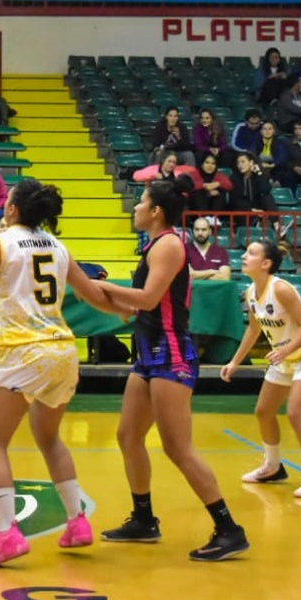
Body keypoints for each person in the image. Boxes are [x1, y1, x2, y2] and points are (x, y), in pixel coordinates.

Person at [0, 179, 123, 565]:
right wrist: (130, 309)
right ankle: (77, 522)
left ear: (11, 209)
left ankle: (7, 533)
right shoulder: (59, 247)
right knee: (49, 438)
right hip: (63, 350)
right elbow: (96, 295)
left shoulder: (1, 243)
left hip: (23, 351)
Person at [95, 179, 250, 561]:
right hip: (148, 354)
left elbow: (147, 299)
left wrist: (87, 282)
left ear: (156, 211)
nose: (135, 208)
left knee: (178, 448)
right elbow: (127, 310)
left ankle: (229, 528)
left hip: (171, 354)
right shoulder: (151, 246)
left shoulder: (167, 244)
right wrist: (91, 290)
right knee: (128, 436)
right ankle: (144, 520)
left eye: (140, 203)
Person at [220, 240, 301, 498]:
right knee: (263, 411)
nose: (244, 256)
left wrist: (284, 350)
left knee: (295, 413)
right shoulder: (250, 292)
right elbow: (253, 328)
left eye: (251, 253)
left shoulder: (280, 289)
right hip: (284, 357)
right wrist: (235, 361)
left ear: (266, 263)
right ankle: (273, 466)